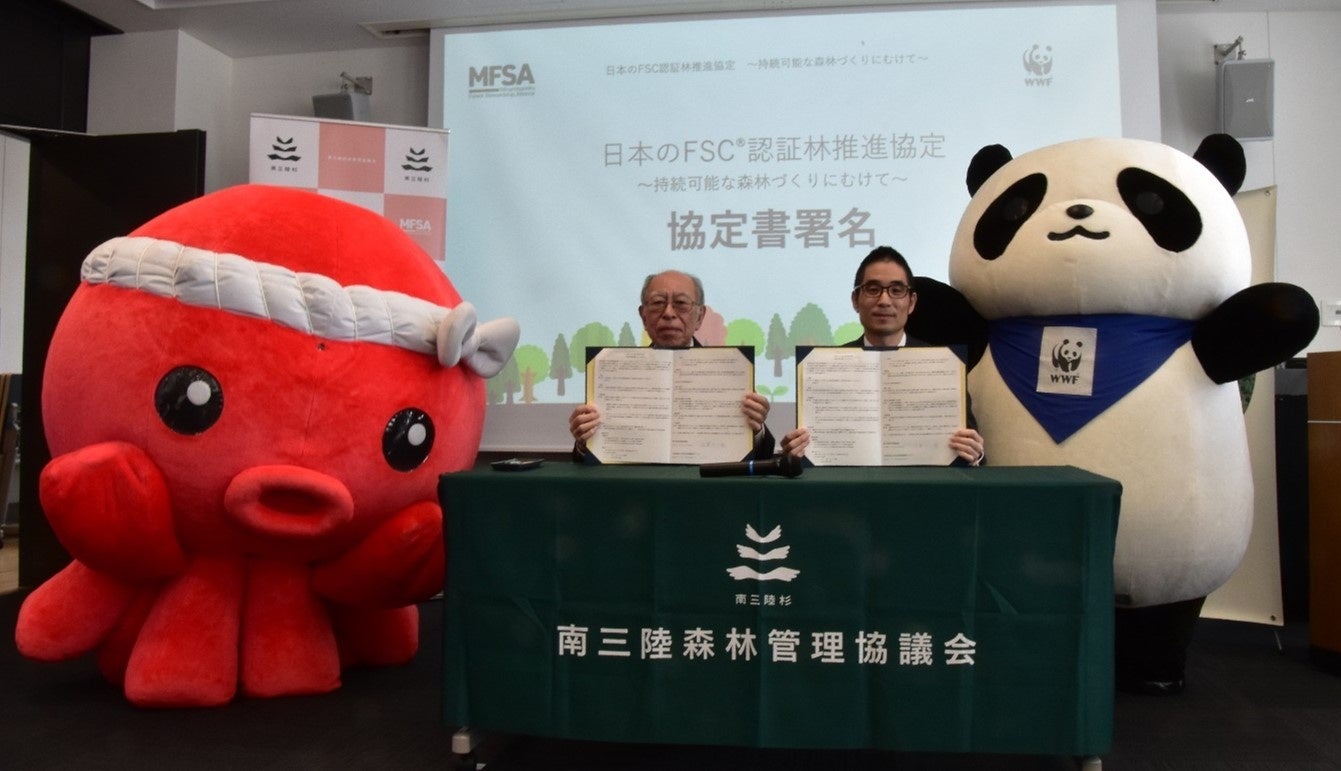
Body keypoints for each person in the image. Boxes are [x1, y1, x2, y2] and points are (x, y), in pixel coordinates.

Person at [780, 246, 985, 466]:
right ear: (855, 300)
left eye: (897, 290)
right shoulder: (824, 369)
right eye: (873, 289)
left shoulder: (945, 367)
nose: (885, 300)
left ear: (912, 302)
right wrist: (796, 454)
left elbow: (975, 457)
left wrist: (975, 455)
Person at [568, 269, 775, 459]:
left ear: (700, 316)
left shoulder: (732, 373)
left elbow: (762, 455)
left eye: (681, 303)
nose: (668, 313)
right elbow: (586, 458)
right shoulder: (613, 375)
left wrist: (755, 429)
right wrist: (584, 441)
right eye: (658, 303)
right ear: (643, 316)